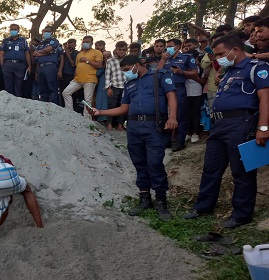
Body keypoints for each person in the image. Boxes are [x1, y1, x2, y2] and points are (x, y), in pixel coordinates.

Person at [184, 35, 269, 228]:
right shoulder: (228, 71)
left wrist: (263, 128)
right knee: (211, 168)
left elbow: (266, 99)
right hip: (219, 126)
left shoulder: (256, 68)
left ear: (236, 50)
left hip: (241, 123)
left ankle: (241, 214)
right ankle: (203, 207)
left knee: (242, 172)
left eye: (221, 53)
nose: (218, 58)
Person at [89, 55, 177, 220]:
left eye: (127, 70)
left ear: (137, 64)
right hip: (134, 128)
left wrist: (172, 117)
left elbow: (171, 96)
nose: (126, 74)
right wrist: (100, 112)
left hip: (153, 126)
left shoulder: (159, 76)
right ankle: (144, 198)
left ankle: (161, 202)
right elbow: (123, 108)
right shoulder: (129, 84)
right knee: (139, 163)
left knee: (155, 163)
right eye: (123, 71)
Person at [161, 38, 198, 151]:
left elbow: (195, 73)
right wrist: (163, 60)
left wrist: (181, 72)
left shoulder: (186, 57)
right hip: (165, 89)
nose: (168, 48)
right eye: (167, 46)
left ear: (177, 46)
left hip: (179, 88)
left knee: (180, 115)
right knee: (165, 114)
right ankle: (167, 140)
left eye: (170, 46)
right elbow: (157, 72)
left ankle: (180, 141)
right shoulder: (166, 58)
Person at [62, 35, 103, 118]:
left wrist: (87, 61)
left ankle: (87, 119)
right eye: (84, 42)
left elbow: (99, 65)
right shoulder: (79, 54)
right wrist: (74, 78)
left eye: (87, 42)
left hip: (90, 79)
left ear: (91, 43)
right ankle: (70, 113)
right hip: (77, 79)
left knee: (87, 100)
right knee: (66, 92)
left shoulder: (97, 52)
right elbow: (77, 67)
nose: (85, 43)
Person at [33, 25, 64, 104]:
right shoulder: (40, 44)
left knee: (52, 88)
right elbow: (34, 54)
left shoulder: (54, 41)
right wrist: (44, 53)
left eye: (48, 31)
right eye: (45, 31)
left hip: (50, 66)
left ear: (52, 33)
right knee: (42, 89)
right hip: (41, 67)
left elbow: (49, 49)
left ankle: (54, 107)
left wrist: (60, 71)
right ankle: (43, 107)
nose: (46, 33)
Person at [0, 23, 31, 97]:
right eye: (12, 29)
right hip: (8, 64)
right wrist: (2, 65)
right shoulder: (5, 41)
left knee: (19, 85)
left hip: (20, 65)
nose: (13, 31)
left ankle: (18, 101)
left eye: (15, 29)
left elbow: (27, 53)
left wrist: (29, 66)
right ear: (10, 30)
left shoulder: (23, 41)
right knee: (8, 85)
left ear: (18, 30)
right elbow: (1, 53)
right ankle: (8, 101)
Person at [104, 41, 128, 130]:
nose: (122, 52)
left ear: (126, 50)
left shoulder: (128, 60)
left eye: (124, 50)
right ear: (116, 49)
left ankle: (120, 124)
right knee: (111, 105)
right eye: (120, 50)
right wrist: (108, 88)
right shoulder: (110, 61)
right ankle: (109, 123)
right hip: (114, 86)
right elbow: (107, 75)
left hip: (125, 87)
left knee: (122, 106)